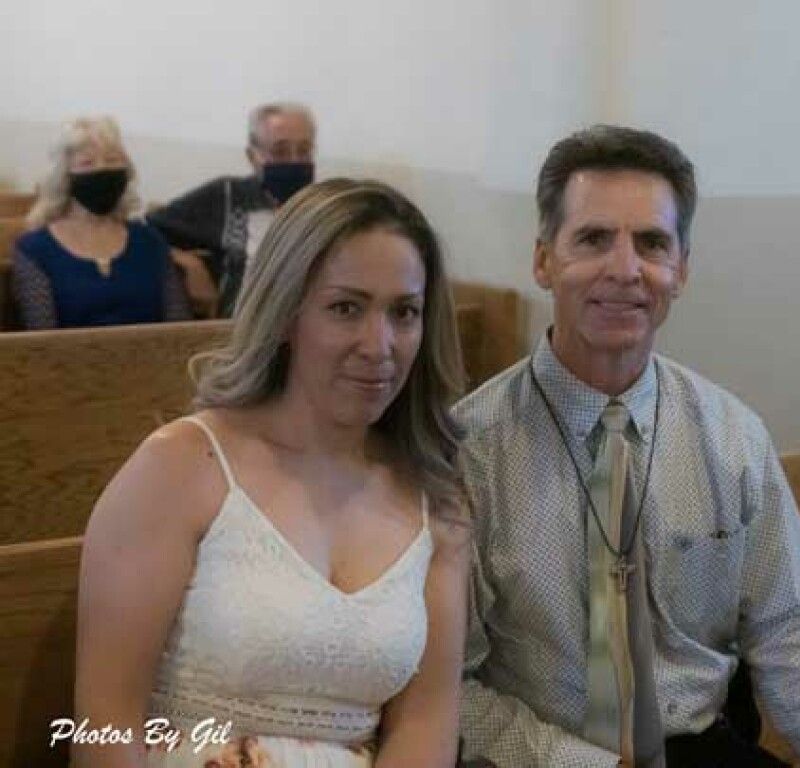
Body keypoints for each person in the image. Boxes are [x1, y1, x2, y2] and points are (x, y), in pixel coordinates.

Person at [455, 126, 800, 767]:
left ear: (680, 268)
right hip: (541, 755)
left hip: (701, 747)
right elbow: (448, 685)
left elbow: (788, 629)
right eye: (594, 239)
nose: (625, 270)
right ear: (544, 260)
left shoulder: (732, 435)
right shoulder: (470, 451)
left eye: (652, 243)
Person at [75, 179, 470, 768]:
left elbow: (424, 728)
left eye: (404, 312)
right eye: (346, 308)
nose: (379, 344)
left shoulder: (434, 500)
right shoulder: (182, 467)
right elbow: (104, 728)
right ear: (286, 314)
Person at [11, 116, 192, 329]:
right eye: (87, 163)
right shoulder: (34, 249)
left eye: (113, 160)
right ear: (65, 176)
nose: (102, 170)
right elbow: (42, 336)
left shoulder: (149, 240)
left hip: (152, 359)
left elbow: (178, 326)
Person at [147, 102, 317, 317]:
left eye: (304, 150)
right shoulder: (228, 196)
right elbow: (146, 232)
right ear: (252, 156)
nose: (295, 161)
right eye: (280, 151)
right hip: (237, 333)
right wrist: (188, 263)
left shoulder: (324, 206)